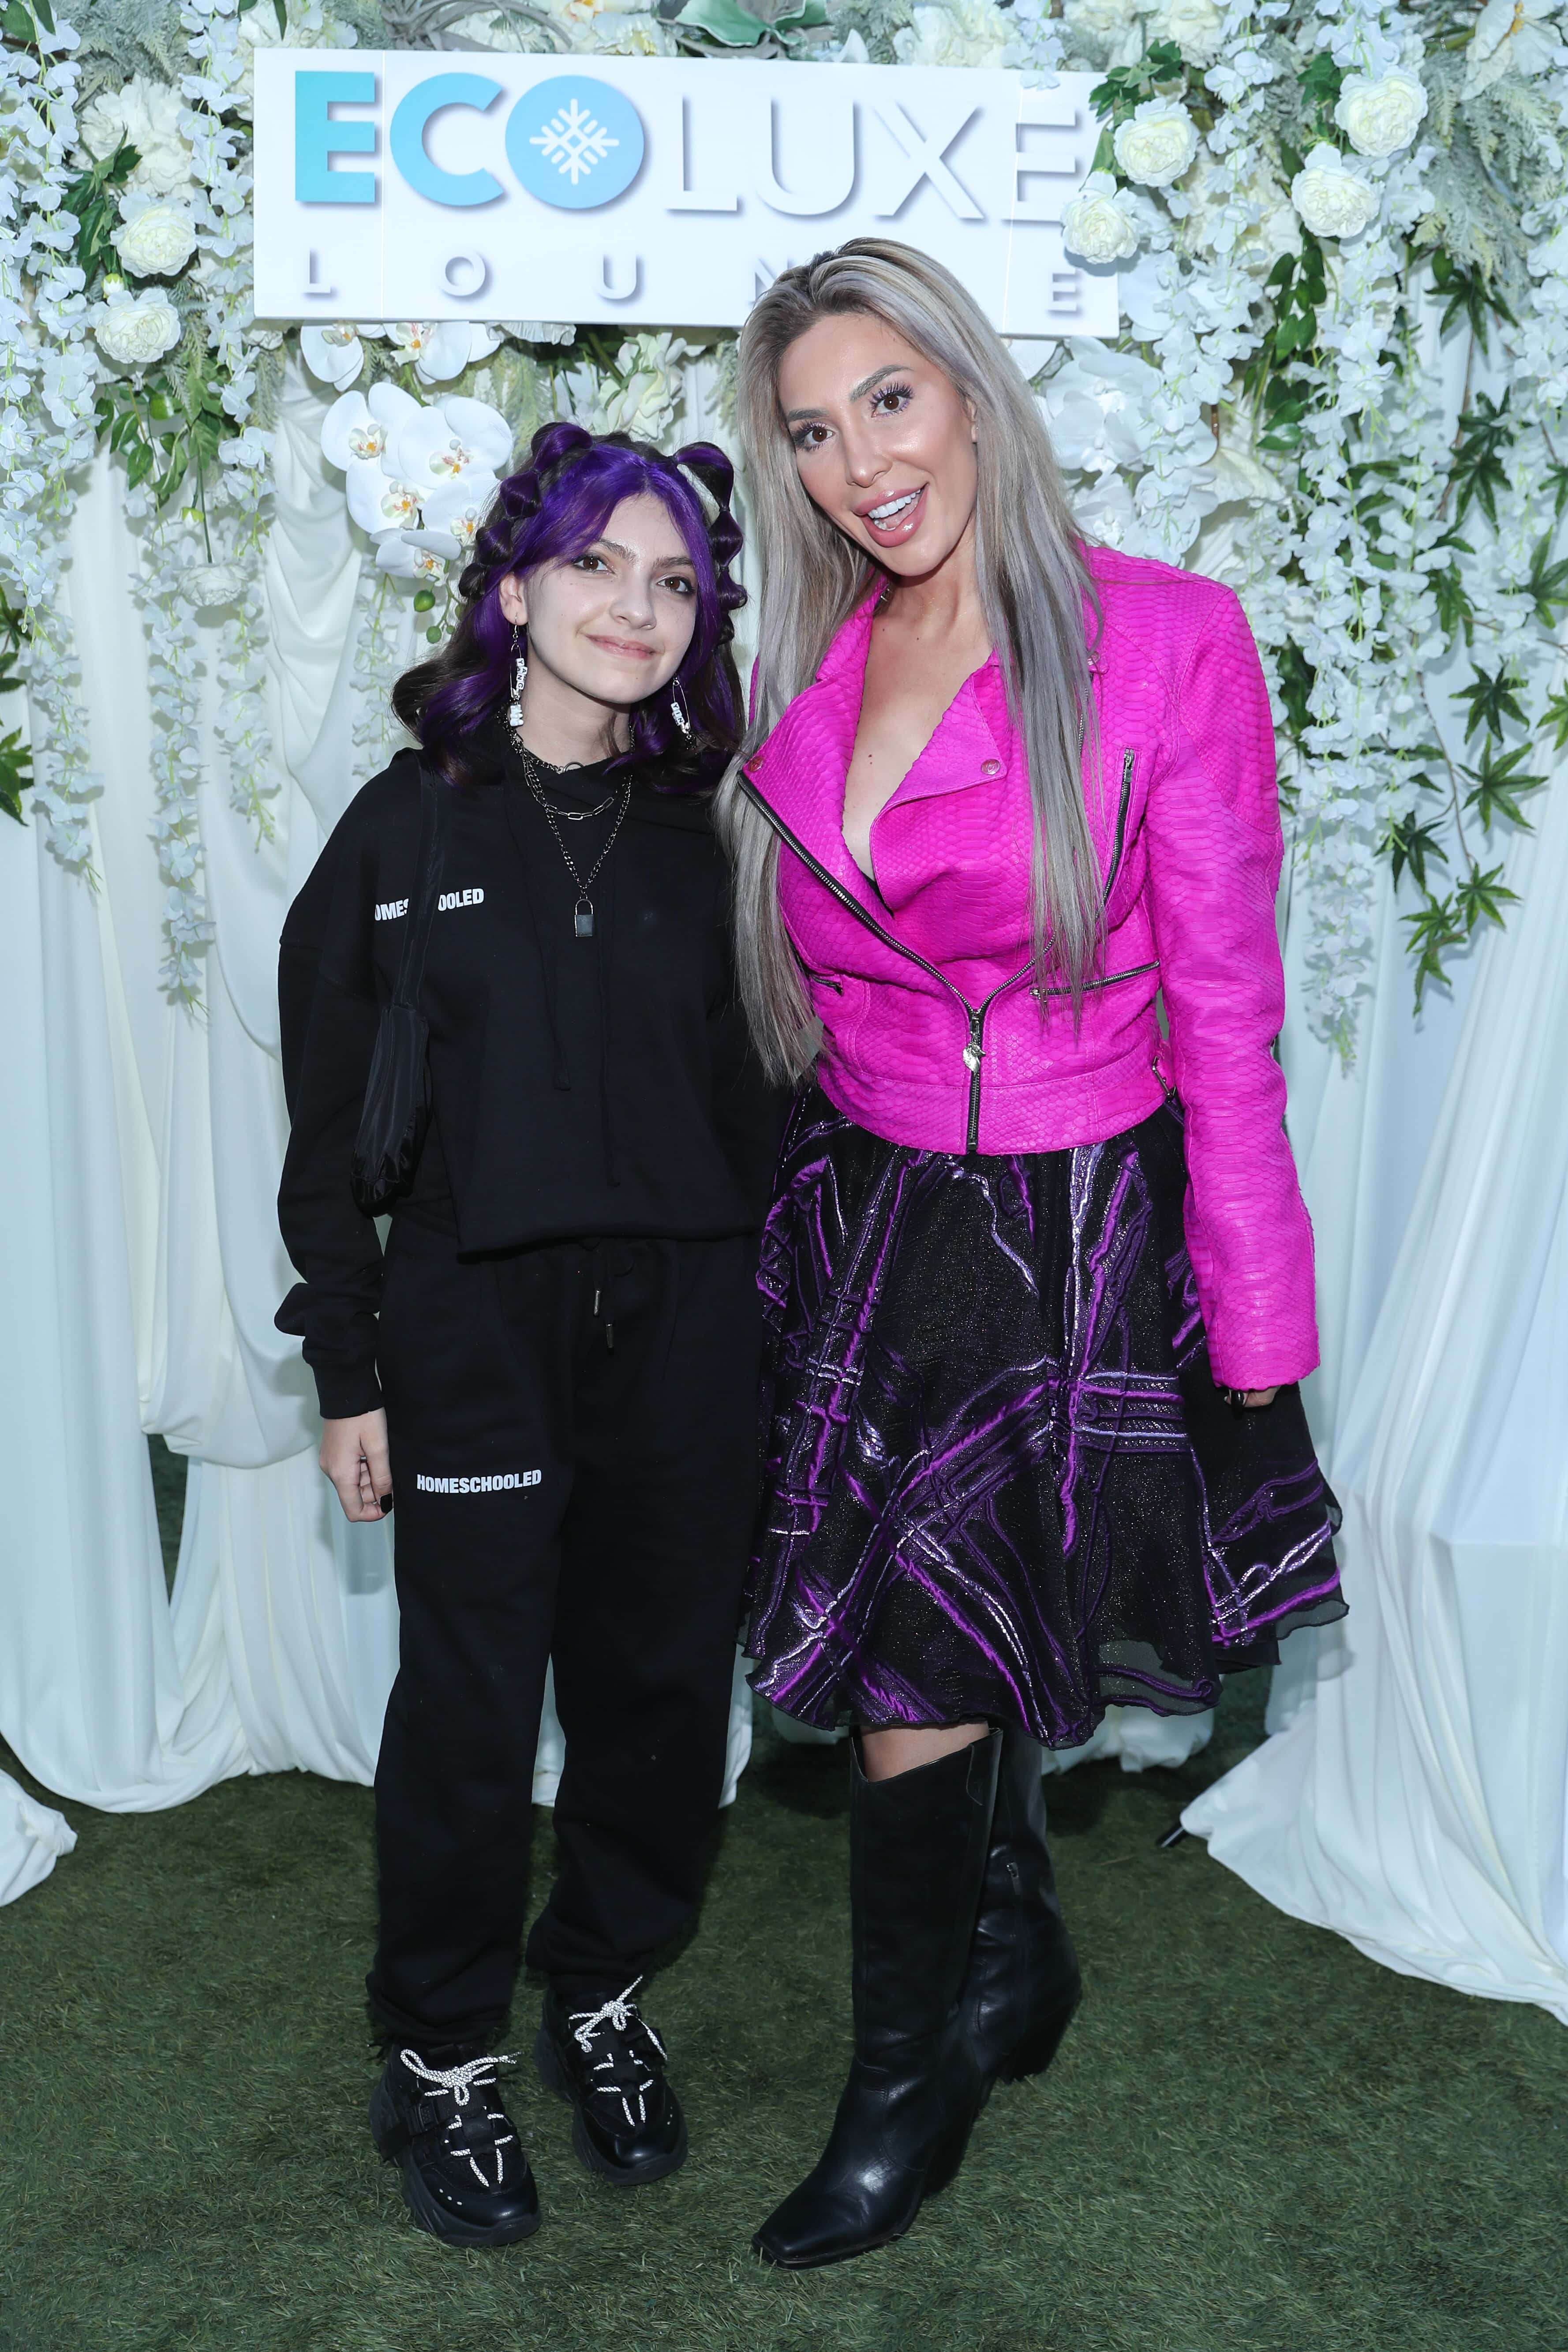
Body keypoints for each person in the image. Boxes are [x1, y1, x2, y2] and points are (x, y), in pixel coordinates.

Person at [716, 238, 1346, 2270]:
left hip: (1069, 1215)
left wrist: (1255, 1326)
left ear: (974, 390)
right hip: (875, 1208)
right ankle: (1003, 1958)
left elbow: (1228, 1014)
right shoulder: (805, 661)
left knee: (917, 1652)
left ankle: (908, 2076)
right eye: (811, 431)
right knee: (937, 1636)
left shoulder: (1163, 641)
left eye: (888, 400)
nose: (856, 462)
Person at [275, 423, 779, 2248]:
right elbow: (329, 1123)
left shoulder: (709, 837)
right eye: (594, 568)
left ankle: (601, 1989)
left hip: (686, 1328)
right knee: (475, 1714)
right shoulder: (403, 825)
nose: (636, 610)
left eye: (671, 582)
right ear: (511, 589)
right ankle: (437, 2054)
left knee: (658, 1695)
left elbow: (768, 1109)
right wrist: (350, 1360)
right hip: (471, 1326)